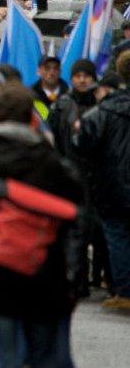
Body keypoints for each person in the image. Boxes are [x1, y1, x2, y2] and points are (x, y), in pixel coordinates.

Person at [0, 83, 82, 367]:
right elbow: (73, 211)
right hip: (44, 269)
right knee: (44, 355)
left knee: (4, 356)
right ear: (30, 117)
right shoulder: (50, 162)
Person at [75, 51, 130, 312]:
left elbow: (83, 146)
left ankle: (124, 291)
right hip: (115, 184)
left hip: (112, 186)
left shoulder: (101, 113)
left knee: (118, 237)